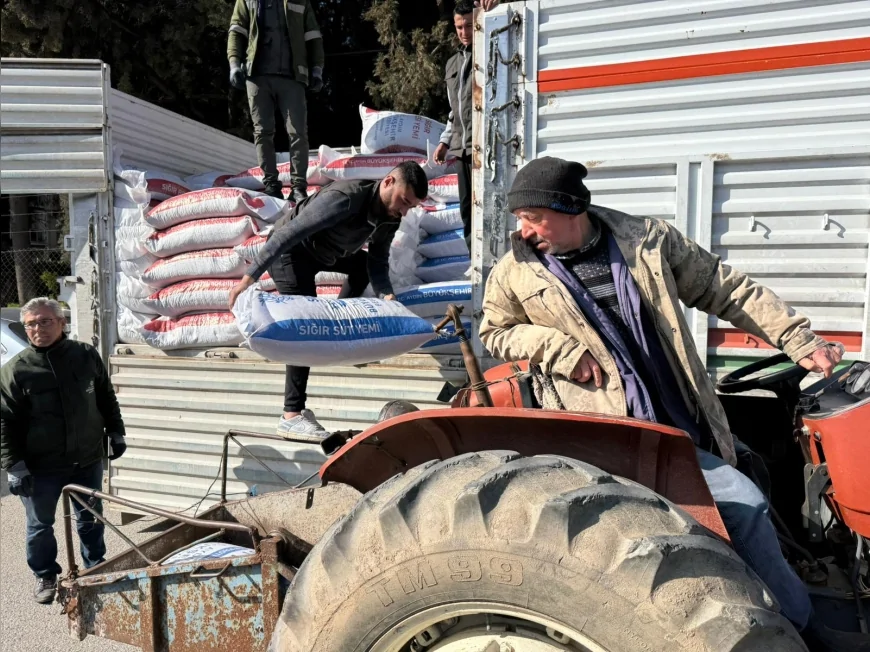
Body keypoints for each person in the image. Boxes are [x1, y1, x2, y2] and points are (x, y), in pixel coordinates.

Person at [479, 157, 867, 651]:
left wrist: (797, 339)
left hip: (679, 418)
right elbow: (496, 331)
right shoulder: (514, 271)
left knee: (756, 477)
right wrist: (558, 349)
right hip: (611, 434)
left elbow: (723, 287)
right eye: (520, 219)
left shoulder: (646, 240)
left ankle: (756, 601)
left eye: (534, 218)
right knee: (744, 505)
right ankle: (803, 630)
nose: (524, 231)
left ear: (572, 209)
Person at [228, 162, 429, 438]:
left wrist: (387, 295)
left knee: (361, 268)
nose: (404, 211)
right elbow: (288, 233)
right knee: (304, 325)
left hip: (326, 253)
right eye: (404, 201)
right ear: (388, 182)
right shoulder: (345, 198)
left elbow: (377, 261)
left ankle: (339, 321)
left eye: (411, 207)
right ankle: (291, 414)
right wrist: (249, 278)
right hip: (292, 253)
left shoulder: (390, 216)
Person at [1, 298, 127, 605]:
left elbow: (105, 395)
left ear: (61, 323)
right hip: (40, 467)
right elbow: (5, 422)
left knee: (90, 517)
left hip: (87, 459)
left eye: (45, 321)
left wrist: (116, 430)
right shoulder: (16, 370)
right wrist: (14, 466)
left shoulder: (84, 355)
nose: (38, 328)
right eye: (31, 324)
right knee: (40, 525)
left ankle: (95, 566)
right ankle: (45, 574)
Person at [227, 0, 325, 202]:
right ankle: (271, 185)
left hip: (292, 77)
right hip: (257, 77)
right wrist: (234, 64)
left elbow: (313, 36)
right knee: (262, 132)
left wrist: (317, 69)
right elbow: (236, 31)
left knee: (297, 132)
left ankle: (299, 188)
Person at [433, 0, 500, 248]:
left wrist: (492, 12)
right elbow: (455, 109)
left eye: (469, 25)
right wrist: (444, 141)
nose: (464, 32)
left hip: (485, 146)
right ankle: (474, 259)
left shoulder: (489, 49)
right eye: (459, 27)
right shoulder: (452, 63)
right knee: (467, 210)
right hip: (461, 149)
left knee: (488, 206)